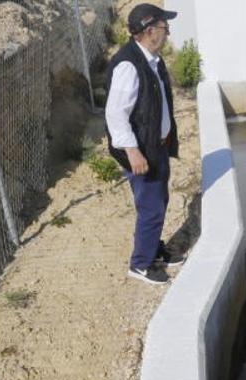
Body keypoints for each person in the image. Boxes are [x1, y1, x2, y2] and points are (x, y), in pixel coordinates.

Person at [105, 3, 184, 285]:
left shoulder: (151, 57)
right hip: (142, 151)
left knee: (158, 201)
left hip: (156, 145)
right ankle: (140, 264)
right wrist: (133, 151)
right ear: (150, 31)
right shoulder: (129, 65)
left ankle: (153, 249)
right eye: (165, 27)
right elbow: (115, 114)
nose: (168, 32)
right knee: (150, 205)